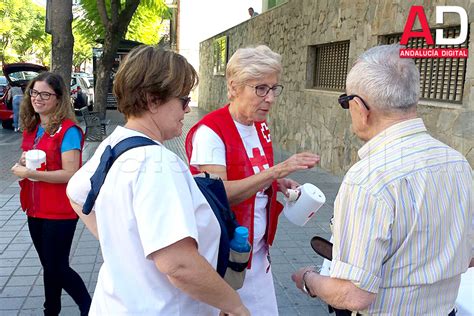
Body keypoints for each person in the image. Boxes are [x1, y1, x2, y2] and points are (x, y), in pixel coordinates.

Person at [66, 45, 250, 316]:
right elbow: (179, 264)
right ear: (153, 100)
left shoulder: (114, 144)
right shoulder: (157, 163)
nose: (187, 110)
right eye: (183, 100)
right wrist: (234, 305)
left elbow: (76, 192)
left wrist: (124, 251)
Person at [292, 44, 473, 315]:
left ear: (359, 106)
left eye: (345, 103)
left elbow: (353, 294)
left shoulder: (368, 179)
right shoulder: (457, 163)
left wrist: (308, 280)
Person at [185, 45, 320, 315]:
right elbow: (218, 195)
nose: (270, 98)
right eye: (260, 88)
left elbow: (253, 172)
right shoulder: (211, 132)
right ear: (234, 87)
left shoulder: (259, 125)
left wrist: (278, 184)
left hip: (257, 254)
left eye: (274, 88)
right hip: (226, 259)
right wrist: (275, 172)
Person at [11, 72, 91, 316]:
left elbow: (70, 173)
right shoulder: (34, 128)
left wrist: (29, 173)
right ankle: (51, 310)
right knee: (50, 266)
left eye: (46, 94)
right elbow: (33, 161)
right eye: (34, 93)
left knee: (57, 267)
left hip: (59, 211)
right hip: (34, 208)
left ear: (58, 99)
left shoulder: (69, 132)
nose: (38, 98)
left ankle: (90, 308)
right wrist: (25, 162)